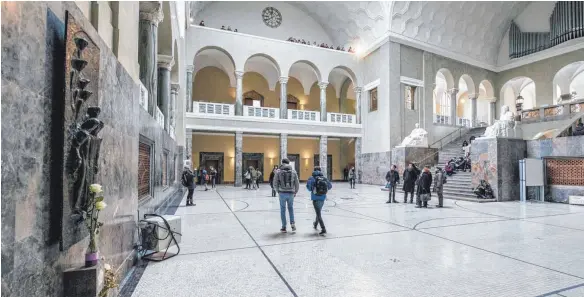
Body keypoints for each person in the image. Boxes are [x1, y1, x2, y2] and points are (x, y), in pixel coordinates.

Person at [274, 158, 300, 233]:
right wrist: (295, 192)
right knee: (291, 208)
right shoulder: (293, 172)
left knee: (283, 210)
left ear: (282, 163)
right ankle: (292, 224)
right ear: (289, 163)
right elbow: (297, 183)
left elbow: (275, 183)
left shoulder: (278, 171)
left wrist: (277, 191)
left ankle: (284, 227)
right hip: (291, 193)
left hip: (282, 193)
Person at [306, 166, 332, 236]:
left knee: (318, 214)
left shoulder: (311, 178)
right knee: (318, 212)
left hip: (315, 198)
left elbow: (308, 188)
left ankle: (323, 228)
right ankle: (315, 224)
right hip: (322, 198)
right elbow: (330, 186)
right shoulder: (324, 178)